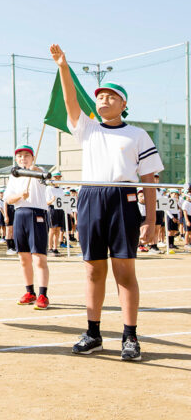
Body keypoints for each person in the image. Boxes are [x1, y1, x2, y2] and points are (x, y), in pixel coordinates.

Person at [51, 44, 162, 361]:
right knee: (92, 271)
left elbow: (149, 180)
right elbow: (71, 100)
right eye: (100, 96)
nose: (103, 100)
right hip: (90, 198)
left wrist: (150, 221)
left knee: (124, 272)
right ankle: (94, 333)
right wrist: (63, 66)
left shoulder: (138, 135)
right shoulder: (87, 128)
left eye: (111, 96)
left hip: (123, 199)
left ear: (124, 104)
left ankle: (130, 336)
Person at [4, 145, 50, 310]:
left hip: (36, 214)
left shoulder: (38, 172)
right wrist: (20, 196)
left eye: (26, 155)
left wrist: (34, 169)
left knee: (39, 257)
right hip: (20, 215)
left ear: (32, 157)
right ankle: (29, 292)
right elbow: (9, 199)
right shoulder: (14, 176)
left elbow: (45, 176)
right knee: (24, 258)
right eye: (20, 156)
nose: (23, 158)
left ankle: (43, 294)